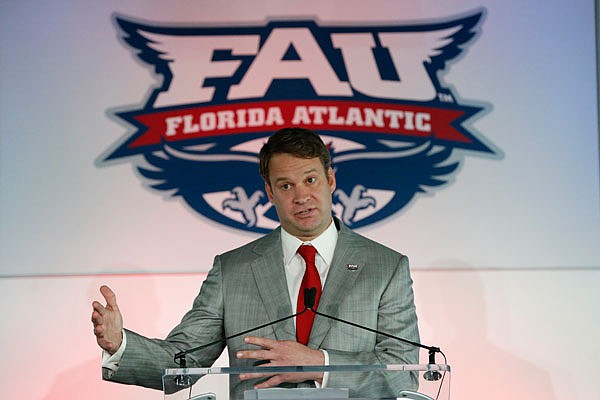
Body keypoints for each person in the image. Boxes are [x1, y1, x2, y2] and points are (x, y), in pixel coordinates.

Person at [91, 127, 420, 399]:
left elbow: (402, 375)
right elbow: (184, 361)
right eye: (285, 185)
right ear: (269, 192)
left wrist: (319, 363)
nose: (301, 196)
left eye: (311, 180)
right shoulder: (232, 270)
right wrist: (121, 344)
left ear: (331, 180)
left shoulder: (386, 268)